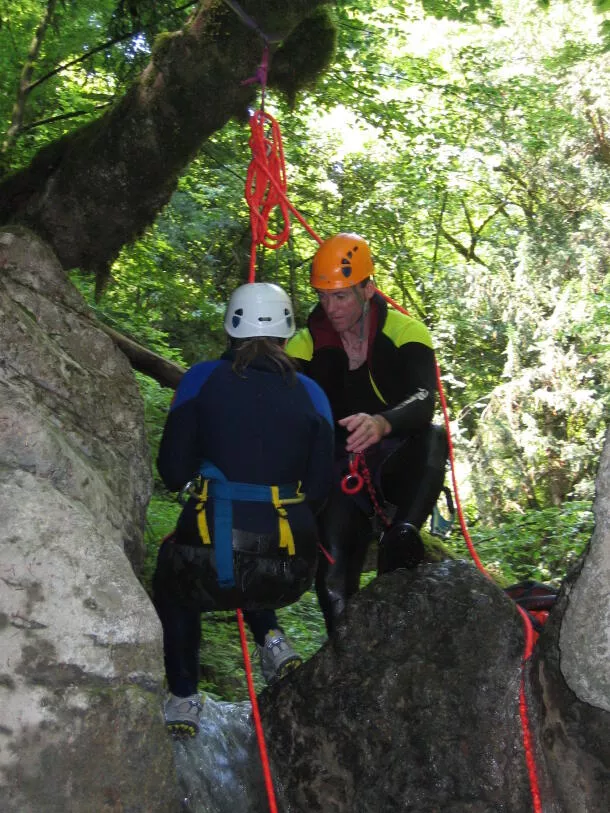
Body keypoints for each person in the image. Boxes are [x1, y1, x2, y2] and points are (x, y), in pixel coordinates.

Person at [153, 282, 334, 737]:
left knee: (176, 575)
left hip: (209, 562)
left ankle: (183, 696)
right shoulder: (313, 394)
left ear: (231, 327)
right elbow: (318, 487)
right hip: (291, 568)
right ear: (288, 332)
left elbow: (173, 471)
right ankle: (272, 638)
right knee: (249, 553)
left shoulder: (200, 379)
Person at [286, 233, 448, 636]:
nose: (330, 307)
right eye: (323, 297)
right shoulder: (305, 345)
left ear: (367, 289)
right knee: (333, 581)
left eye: (341, 296)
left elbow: (424, 397)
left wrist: (382, 423)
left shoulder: (405, 332)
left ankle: (405, 531)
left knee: (435, 437)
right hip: (343, 471)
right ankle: (348, 660)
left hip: (397, 458)